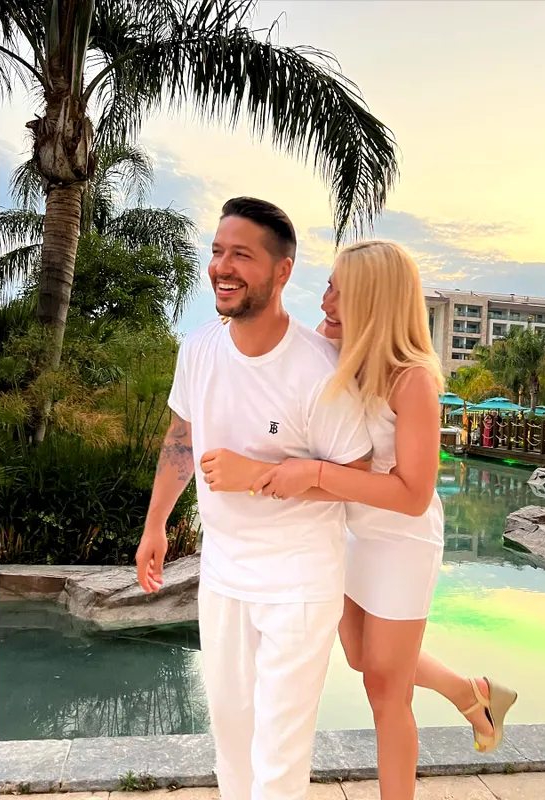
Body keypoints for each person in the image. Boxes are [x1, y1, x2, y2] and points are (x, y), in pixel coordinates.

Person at [200, 241, 518, 800]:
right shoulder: (332, 352)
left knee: (386, 693)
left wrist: (314, 473)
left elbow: (413, 494)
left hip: (400, 544)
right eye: (328, 286)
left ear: (374, 301)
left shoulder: (412, 380)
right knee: (360, 658)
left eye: (340, 292)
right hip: (347, 533)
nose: (325, 301)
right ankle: (473, 692)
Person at [135, 197, 375, 800]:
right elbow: (181, 439)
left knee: (278, 760)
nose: (222, 267)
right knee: (233, 748)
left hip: (299, 582)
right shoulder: (199, 349)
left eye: (241, 255)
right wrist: (155, 524)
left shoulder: (319, 368)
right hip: (223, 576)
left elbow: (358, 471)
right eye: (218, 251)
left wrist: (263, 475)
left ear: (282, 270)